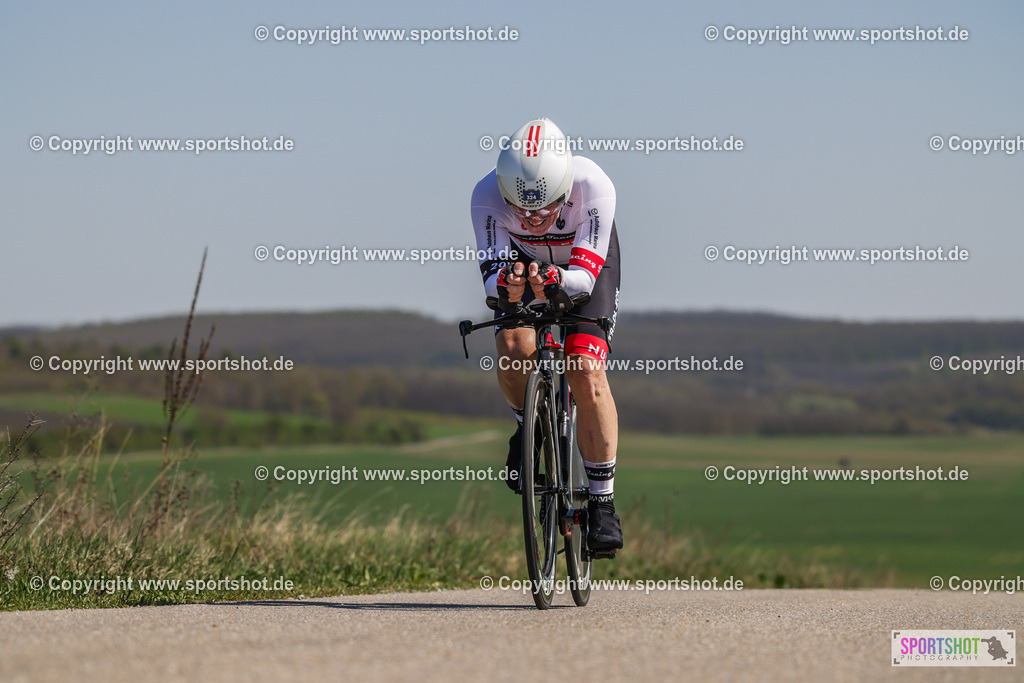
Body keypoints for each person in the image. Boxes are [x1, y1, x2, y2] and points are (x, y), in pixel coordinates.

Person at [470, 117, 623, 552]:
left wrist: (556, 279)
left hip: (582, 265)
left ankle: (602, 502)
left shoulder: (593, 184)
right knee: (514, 343)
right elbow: (491, 284)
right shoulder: (485, 195)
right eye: (518, 210)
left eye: (545, 210)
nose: (533, 220)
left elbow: (584, 283)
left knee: (584, 366)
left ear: (566, 190)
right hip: (525, 265)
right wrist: (507, 286)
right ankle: (527, 426)